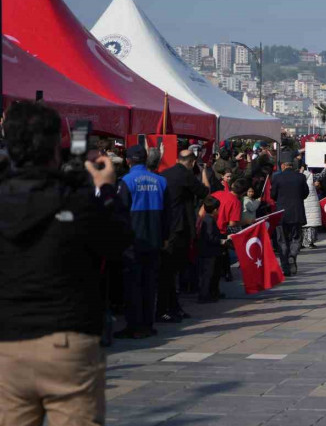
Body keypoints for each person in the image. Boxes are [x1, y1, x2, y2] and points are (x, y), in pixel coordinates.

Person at [0, 101, 131, 426]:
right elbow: (117, 242)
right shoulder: (75, 200)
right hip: (67, 340)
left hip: (7, 345)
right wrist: (105, 189)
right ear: (57, 145)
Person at [115, 144, 169, 339]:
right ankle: (148, 324)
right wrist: (164, 238)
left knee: (132, 285)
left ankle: (134, 326)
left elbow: (119, 214)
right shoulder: (161, 182)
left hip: (133, 242)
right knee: (149, 284)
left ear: (128, 161)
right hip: (155, 240)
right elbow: (167, 214)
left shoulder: (125, 182)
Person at [156, 149, 210, 323]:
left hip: (166, 226)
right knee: (171, 271)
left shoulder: (164, 174)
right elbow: (205, 192)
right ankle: (164, 309)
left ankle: (172, 306)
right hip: (179, 228)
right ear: (192, 162)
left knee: (169, 271)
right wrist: (203, 173)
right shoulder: (186, 175)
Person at [271, 152, 309, 275]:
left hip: (281, 214)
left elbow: (273, 195)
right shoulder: (301, 177)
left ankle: (285, 268)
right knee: (296, 238)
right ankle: (292, 256)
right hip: (297, 212)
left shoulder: (277, 178)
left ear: (282, 165)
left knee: (282, 241)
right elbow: (305, 194)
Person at [196, 196, 225, 303]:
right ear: (215, 210)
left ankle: (209, 293)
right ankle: (204, 295)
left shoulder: (207, 219)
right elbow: (210, 237)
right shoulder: (209, 221)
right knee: (207, 274)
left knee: (209, 274)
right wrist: (221, 241)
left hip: (207, 251)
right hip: (209, 252)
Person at [302, 165, 323, 248]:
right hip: (312, 204)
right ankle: (310, 242)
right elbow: (322, 175)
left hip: (303, 203)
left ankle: (303, 242)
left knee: (304, 226)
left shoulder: (298, 177)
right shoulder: (311, 176)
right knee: (312, 225)